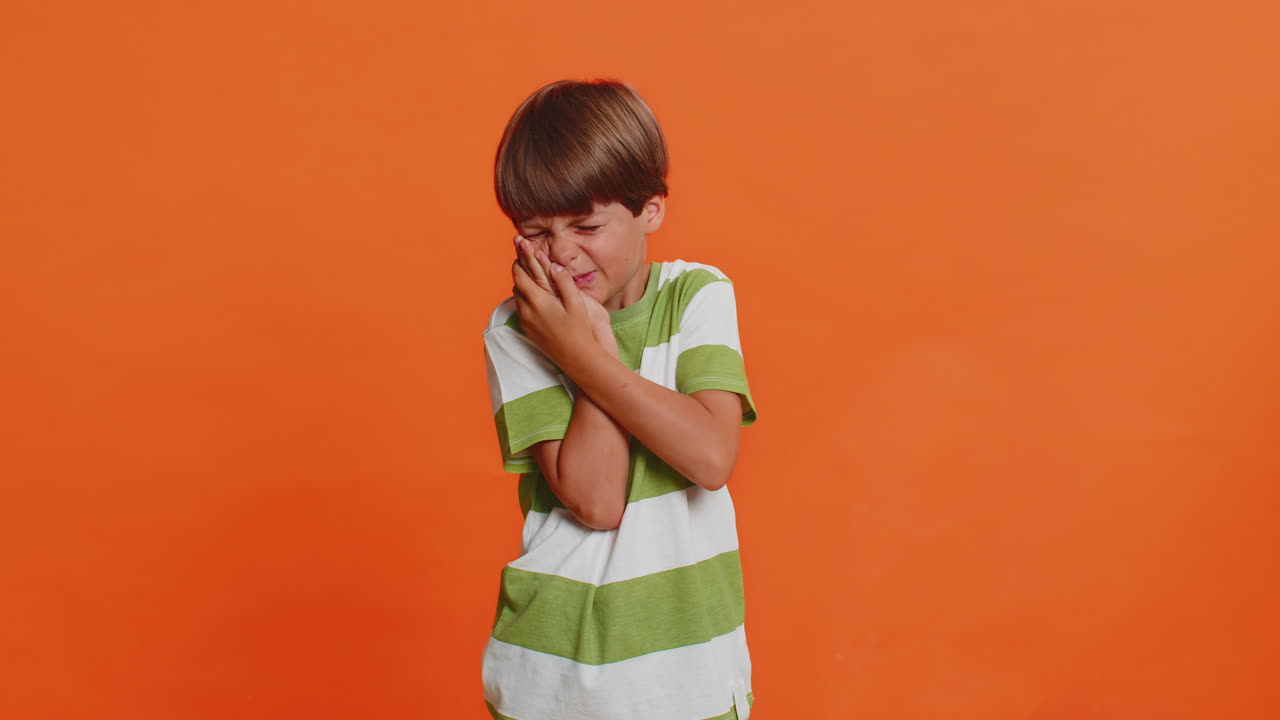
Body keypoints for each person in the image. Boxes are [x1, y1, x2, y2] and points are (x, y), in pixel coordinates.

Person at [480, 78, 759, 720]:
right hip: (553, 676)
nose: (561, 252)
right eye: (534, 231)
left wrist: (582, 354)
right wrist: (589, 336)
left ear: (650, 210)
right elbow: (598, 501)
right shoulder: (515, 330)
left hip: (691, 675)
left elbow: (711, 456)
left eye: (587, 224)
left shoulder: (697, 295)